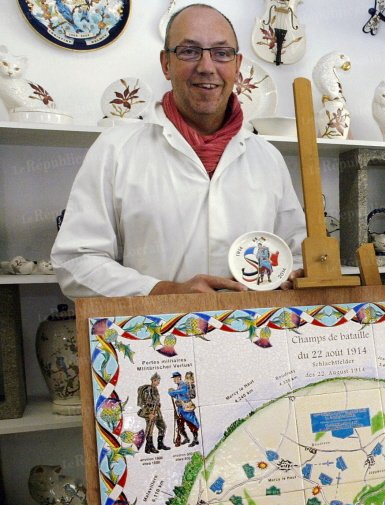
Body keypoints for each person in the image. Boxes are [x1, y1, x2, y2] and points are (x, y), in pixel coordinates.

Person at [51, 3, 305, 298]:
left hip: (253, 336)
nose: (207, 67)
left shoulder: (268, 158)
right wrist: (163, 291)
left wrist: (294, 275)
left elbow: (295, 252)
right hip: (155, 338)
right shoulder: (115, 148)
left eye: (221, 53)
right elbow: (77, 262)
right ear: (166, 63)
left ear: (237, 66)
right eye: (189, 51)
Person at [137, 373, 170, 454]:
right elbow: (147, 403)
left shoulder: (155, 388)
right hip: (150, 411)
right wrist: (149, 414)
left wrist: (158, 405)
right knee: (150, 429)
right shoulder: (148, 390)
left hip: (157, 411)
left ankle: (160, 444)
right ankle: (149, 447)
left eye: (159, 380)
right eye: (157, 380)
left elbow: (156, 400)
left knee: (162, 426)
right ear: (153, 380)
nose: (158, 382)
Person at [168, 371, 200, 447]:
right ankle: (186, 438)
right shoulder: (179, 386)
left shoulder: (184, 384)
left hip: (187, 409)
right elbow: (179, 396)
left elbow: (184, 391)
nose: (174, 380)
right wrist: (174, 394)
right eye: (174, 379)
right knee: (180, 426)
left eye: (175, 378)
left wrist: (173, 392)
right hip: (181, 410)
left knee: (191, 424)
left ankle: (195, 440)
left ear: (179, 377)